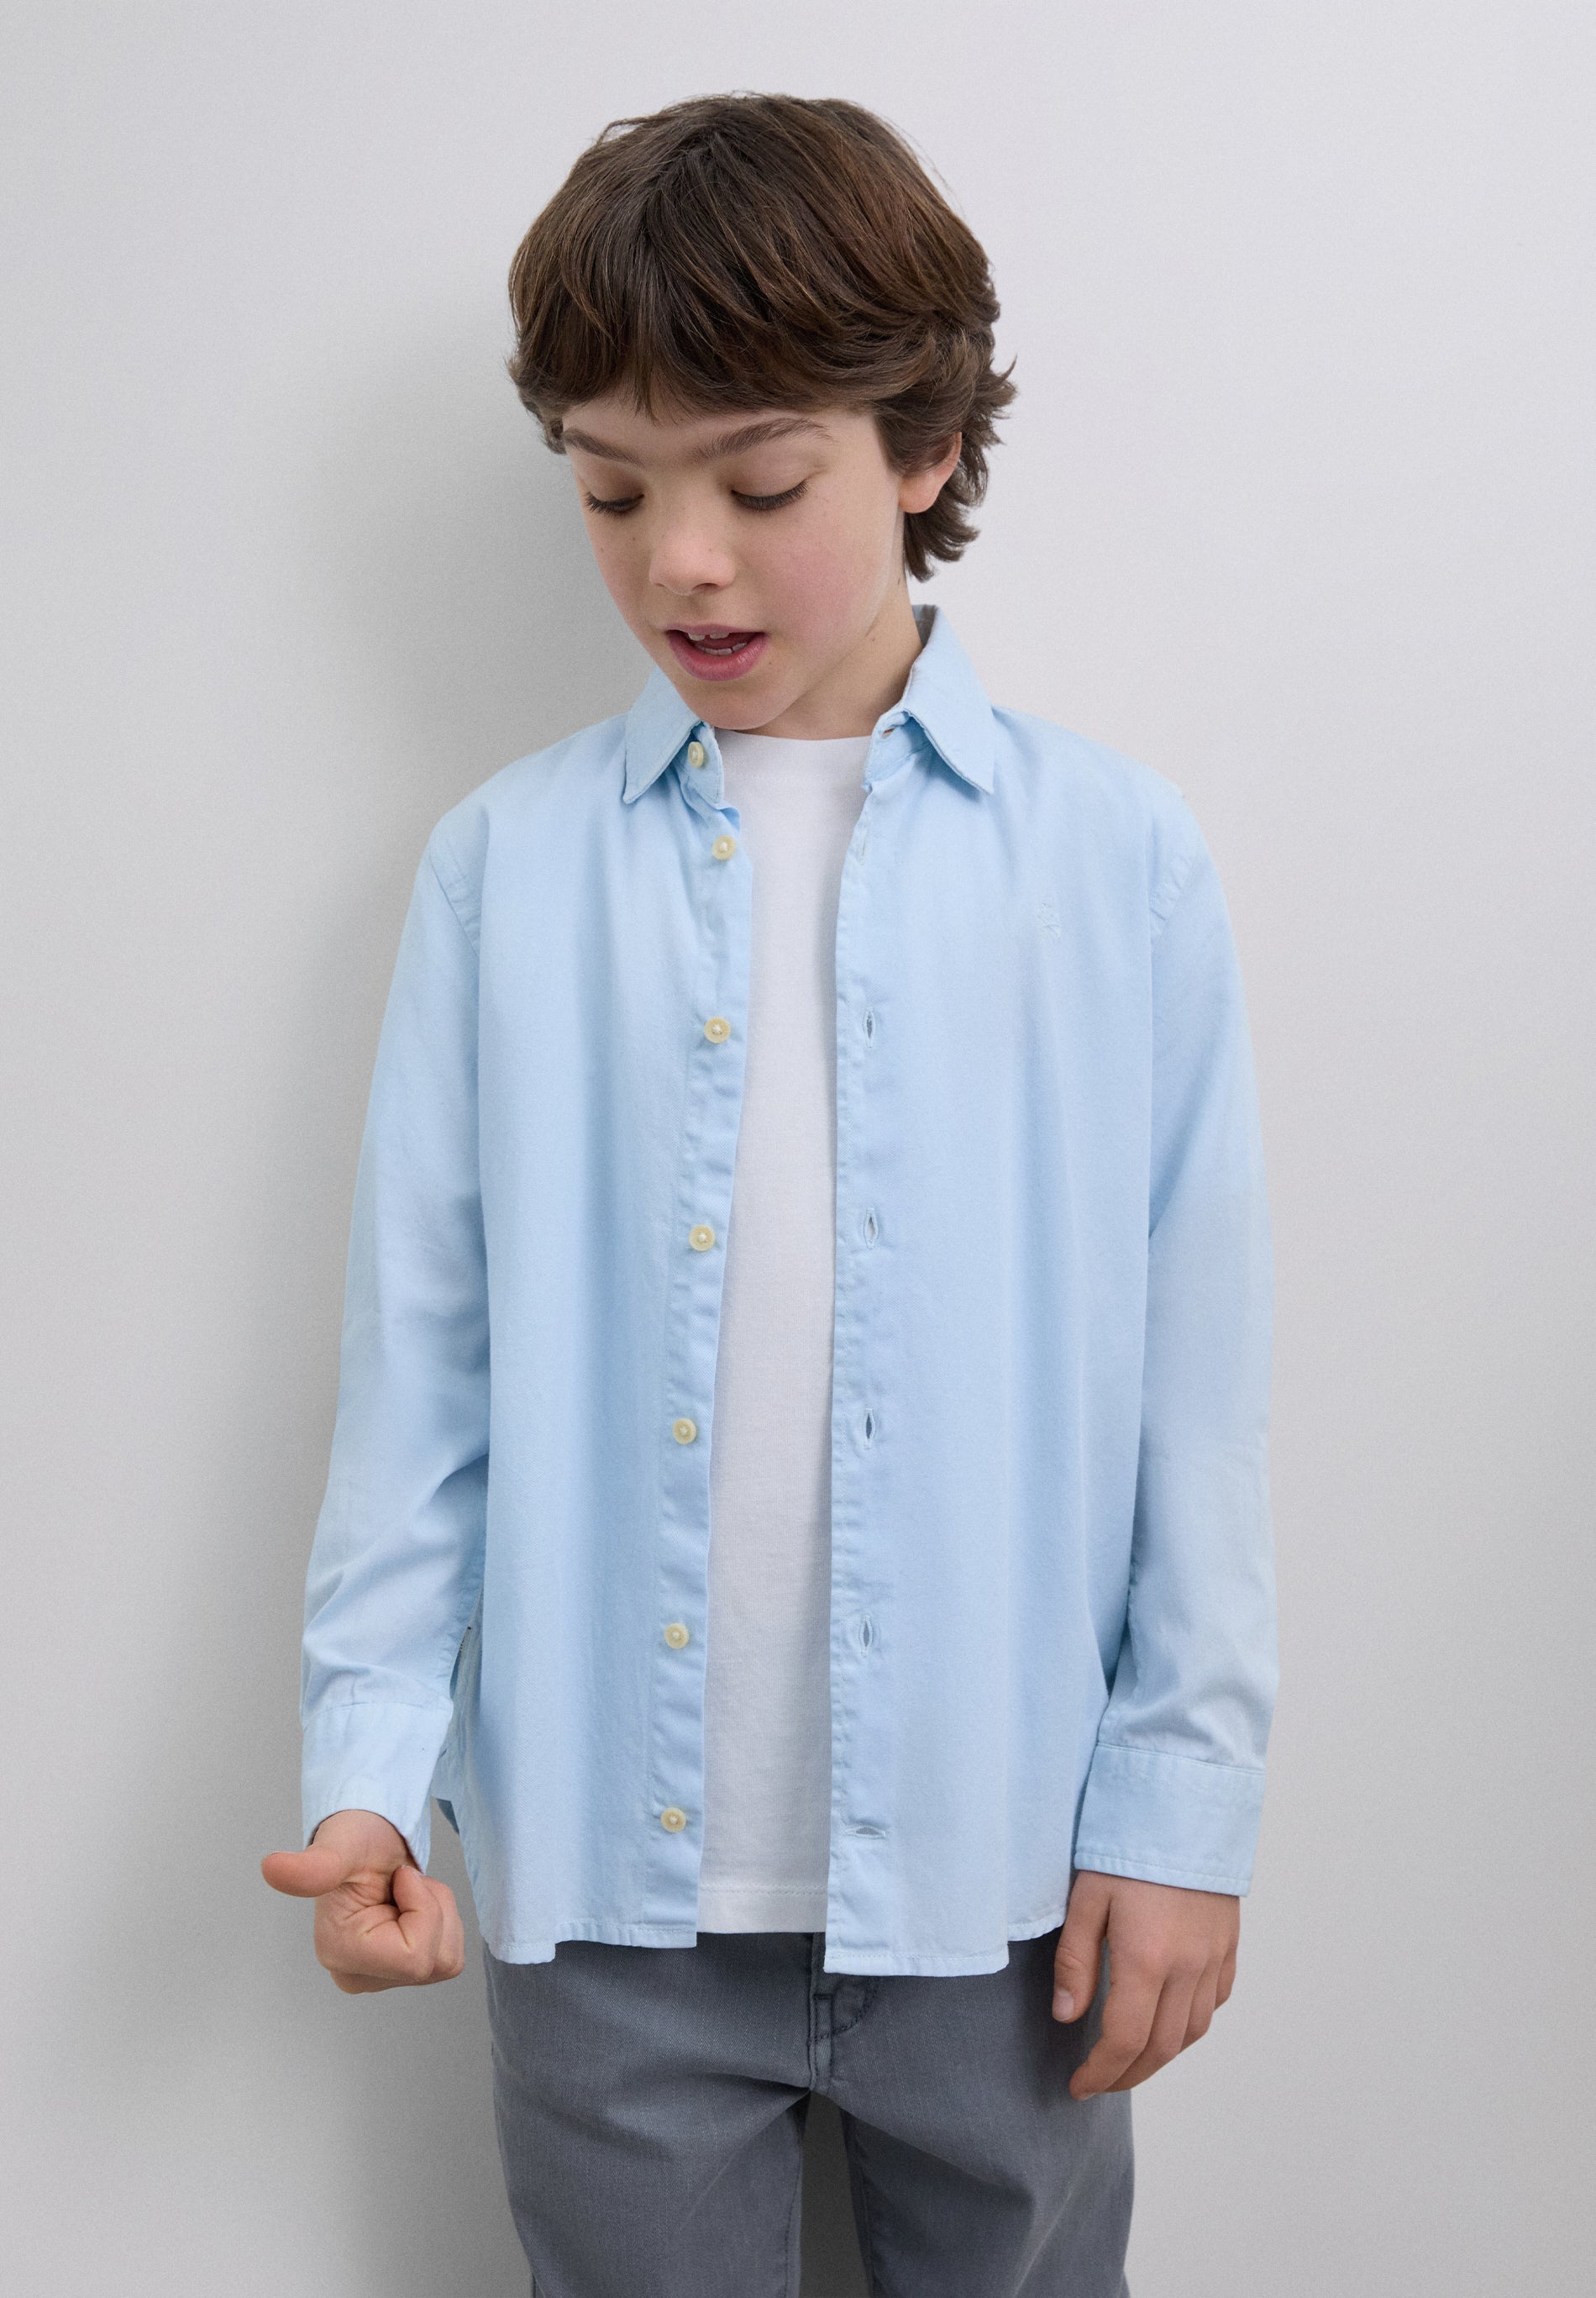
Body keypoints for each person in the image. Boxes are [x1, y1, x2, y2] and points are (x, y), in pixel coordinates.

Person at [261, 92, 1276, 2298]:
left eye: (758, 484)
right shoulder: (507, 873)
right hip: (602, 1919)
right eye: (611, 492)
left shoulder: (1111, 863)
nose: (681, 565)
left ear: (922, 448)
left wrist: (1179, 1816)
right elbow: (423, 1377)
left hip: (1011, 1895)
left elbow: (1193, 1397)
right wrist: (369, 1775)